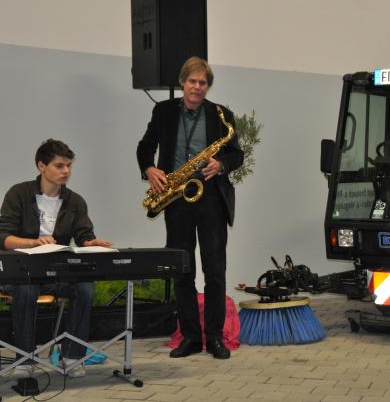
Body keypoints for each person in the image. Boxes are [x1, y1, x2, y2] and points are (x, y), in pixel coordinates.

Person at [136, 57, 244, 360]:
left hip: (211, 198)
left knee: (215, 270)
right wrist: (149, 169)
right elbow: (145, 147)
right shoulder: (164, 111)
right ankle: (191, 337)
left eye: (203, 83)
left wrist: (221, 164)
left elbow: (237, 155)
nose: (197, 87)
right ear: (182, 82)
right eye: (193, 81)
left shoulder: (221, 115)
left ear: (208, 86)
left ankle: (215, 337)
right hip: (177, 197)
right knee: (182, 270)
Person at [0, 139, 112, 379]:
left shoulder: (75, 201)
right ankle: (25, 359)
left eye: (68, 166)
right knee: (26, 289)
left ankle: (72, 356)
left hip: (57, 273)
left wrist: (91, 243)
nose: (66, 171)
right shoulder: (19, 194)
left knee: (84, 287)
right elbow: (4, 238)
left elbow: (84, 236)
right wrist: (32, 243)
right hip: (21, 273)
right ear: (41, 166)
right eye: (59, 166)